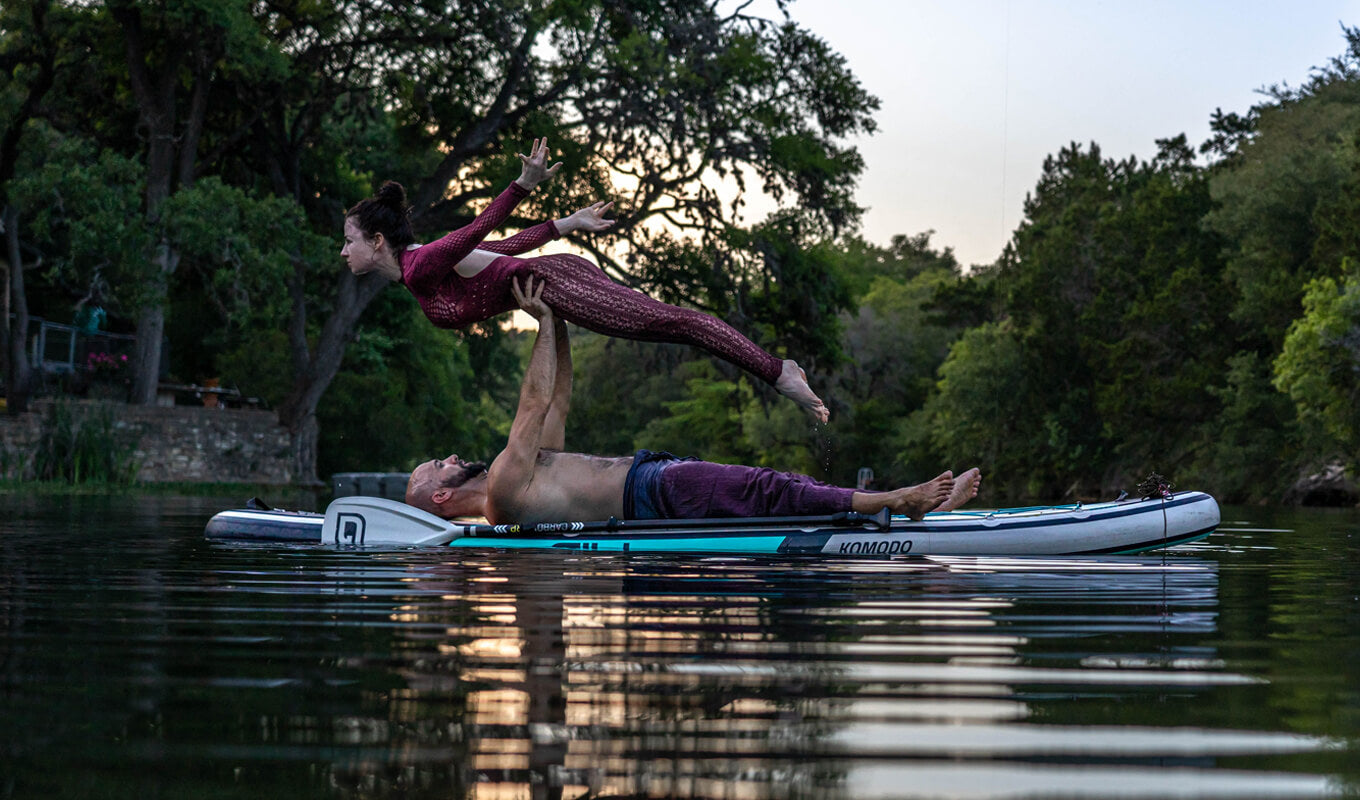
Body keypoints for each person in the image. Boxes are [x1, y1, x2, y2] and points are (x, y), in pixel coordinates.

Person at [406, 275, 981, 525]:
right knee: (766, 488)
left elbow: (556, 403)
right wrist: (539, 319)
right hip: (652, 494)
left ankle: (892, 510)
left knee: (769, 492)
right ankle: (900, 500)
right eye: (439, 465)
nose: (449, 456)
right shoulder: (504, 492)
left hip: (653, 477)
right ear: (440, 492)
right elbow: (532, 405)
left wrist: (558, 318)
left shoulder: (525, 472)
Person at [342, 137, 829, 422]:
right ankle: (776, 369)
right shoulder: (423, 268)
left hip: (560, 285)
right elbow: (499, 250)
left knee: (675, 323)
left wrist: (523, 186)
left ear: (378, 241)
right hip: (560, 280)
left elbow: (480, 230)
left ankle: (777, 372)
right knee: (668, 325)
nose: (344, 251)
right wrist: (565, 225)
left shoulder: (420, 264)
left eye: (349, 240)